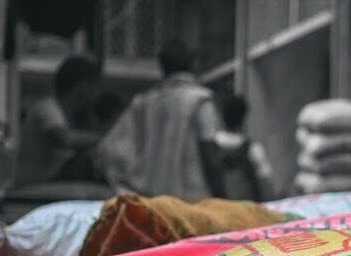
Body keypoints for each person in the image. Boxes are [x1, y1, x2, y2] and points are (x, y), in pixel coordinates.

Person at [97, 39, 226, 199]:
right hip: (191, 204)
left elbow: (109, 149)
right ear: (193, 63)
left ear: (162, 66)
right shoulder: (200, 100)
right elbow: (210, 156)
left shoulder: (142, 103)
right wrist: (223, 198)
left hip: (150, 204)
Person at [14, 55, 100, 186]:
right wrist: (103, 139)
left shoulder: (70, 118)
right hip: (32, 191)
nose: (95, 93)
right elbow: (64, 139)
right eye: (93, 87)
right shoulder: (48, 107)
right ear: (82, 87)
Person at [215, 93, 276, 202]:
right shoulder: (252, 148)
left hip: (221, 207)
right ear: (243, 117)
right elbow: (265, 181)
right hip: (248, 207)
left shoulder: (212, 146)